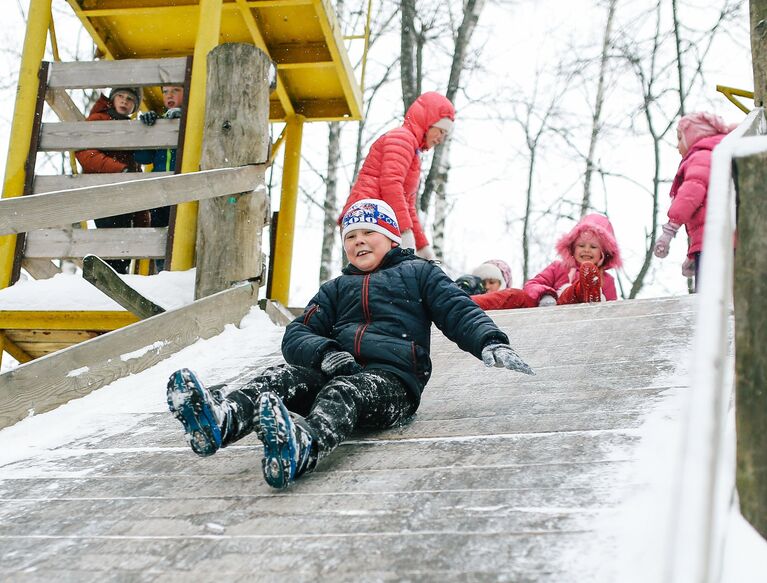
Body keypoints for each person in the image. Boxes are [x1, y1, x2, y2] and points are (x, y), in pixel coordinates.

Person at [167, 198, 533, 489]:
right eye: (349, 236)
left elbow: (457, 310)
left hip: (392, 384)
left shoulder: (420, 273)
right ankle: (221, 420)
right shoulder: (336, 288)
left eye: (367, 233)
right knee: (281, 376)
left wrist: (491, 343)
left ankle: (303, 446)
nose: (357, 241)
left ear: (391, 238)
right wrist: (325, 353)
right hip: (333, 372)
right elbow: (296, 334)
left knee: (346, 390)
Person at [339, 91, 455, 261]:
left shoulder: (412, 149)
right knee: (386, 278)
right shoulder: (402, 138)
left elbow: (407, 205)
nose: (441, 139)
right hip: (366, 217)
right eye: (441, 131)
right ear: (428, 122)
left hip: (376, 220)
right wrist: (404, 231)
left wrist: (422, 246)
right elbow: (391, 184)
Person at [653, 112, 737, 287]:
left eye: (679, 138)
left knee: (708, 302)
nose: (677, 146)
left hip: (714, 244)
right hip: (723, 240)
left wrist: (669, 230)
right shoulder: (717, 155)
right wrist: (693, 254)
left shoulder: (702, 156)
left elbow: (691, 193)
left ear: (694, 135)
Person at [75, 87, 148, 274]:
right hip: (103, 191)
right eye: (121, 97)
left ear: (135, 107)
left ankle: (116, 275)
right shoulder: (99, 119)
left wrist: (143, 219)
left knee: (124, 241)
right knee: (110, 236)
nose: (124, 101)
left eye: (130, 99)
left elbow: (135, 167)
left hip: (124, 194)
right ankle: (107, 276)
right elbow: (85, 153)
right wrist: (119, 169)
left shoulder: (131, 128)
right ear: (112, 99)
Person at [524, 213, 622, 306]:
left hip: (586, 318)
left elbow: (612, 310)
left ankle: (591, 293)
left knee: (582, 292)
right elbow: (532, 285)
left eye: (593, 247)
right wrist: (546, 295)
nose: (586, 250)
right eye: (581, 245)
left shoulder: (607, 280)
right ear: (573, 248)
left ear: (603, 253)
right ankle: (584, 289)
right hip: (556, 312)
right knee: (569, 294)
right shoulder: (558, 268)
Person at [135, 85, 185, 229]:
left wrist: (182, 116)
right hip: (159, 187)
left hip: (183, 186)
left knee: (181, 228)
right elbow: (142, 157)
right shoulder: (159, 121)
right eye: (165, 92)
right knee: (159, 231)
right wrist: (148, 129)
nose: (169, 95)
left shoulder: (193, 119)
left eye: (175, 90)